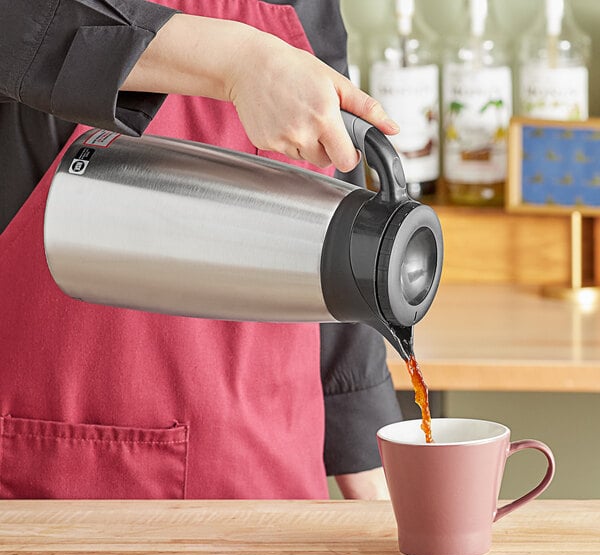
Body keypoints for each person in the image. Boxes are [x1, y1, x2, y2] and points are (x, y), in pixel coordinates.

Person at [0, 0, 402, 500]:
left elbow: (336, 206)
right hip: (67, 483)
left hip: (268, 471)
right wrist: (239, 61)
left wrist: (370, 467)